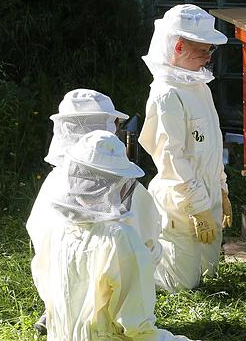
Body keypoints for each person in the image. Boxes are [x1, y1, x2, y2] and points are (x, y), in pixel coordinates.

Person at [31, 130, 191, 340]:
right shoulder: (119, 238)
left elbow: (46, 288)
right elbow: (137, 326)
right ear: (117, 182)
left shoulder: (56, 226)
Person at [27, 89, 162, 335]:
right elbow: (149, 243)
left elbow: (40, 253)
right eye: (113, 122)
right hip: (112, 313)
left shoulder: (54, 181)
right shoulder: (125, 196)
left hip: (63, 312)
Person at [140, 4, 233, 293]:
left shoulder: (198, 86)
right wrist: (197, 205)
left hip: (207, 194)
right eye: (203, 51)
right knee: (181, 285)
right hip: (180, 200)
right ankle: (130, 275)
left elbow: (212, 143)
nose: (209, 58)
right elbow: (171, 158)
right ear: (179, 47)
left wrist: (221, 189)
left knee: (209, 276)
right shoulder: (167, 95)